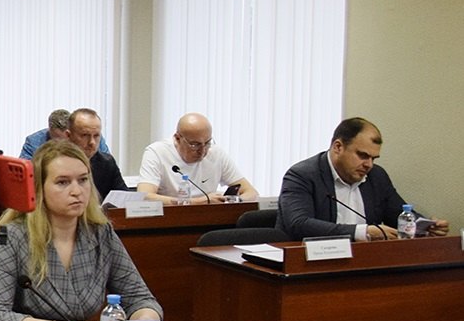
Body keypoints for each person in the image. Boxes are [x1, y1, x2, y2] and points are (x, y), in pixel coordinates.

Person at [0, 140, 163, 321]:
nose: (77, 191)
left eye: (83, 180)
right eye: (63, 182)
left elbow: (139, 297)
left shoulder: (100, 232)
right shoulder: (11, 236)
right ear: (39, 188)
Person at [276, 117, 449, 241]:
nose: (369, 165)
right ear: (338, 147)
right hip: (310, 263)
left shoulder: (376, 176)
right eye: (363, 155)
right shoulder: (302, 175)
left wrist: (425, 226)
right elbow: (299, 224)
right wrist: (362, 232)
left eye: (373, 158)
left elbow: (397, 214)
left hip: (365, 261)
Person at [136, 113, 258, 203]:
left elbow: (251, 192)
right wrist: (198, 202)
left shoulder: (216, 153)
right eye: (195, 145)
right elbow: (145, 196)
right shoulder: (157, 152)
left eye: (207, 143)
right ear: (177, 138)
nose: (203, 150)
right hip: (170, 218)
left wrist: (232, 200)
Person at [68, 108, 128, 203]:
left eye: (96, 136)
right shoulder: (55, 164)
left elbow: (124, 197)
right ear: (68, 136)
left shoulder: (106, 162)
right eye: (85, 135)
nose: (92, 142)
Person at [21, 108, 108, 160]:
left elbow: (107, 163)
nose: (63, 144)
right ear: (49, 130)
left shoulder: (93, 137)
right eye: (57, 139)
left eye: (67, 139)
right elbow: (26, 173)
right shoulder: (33, 142)